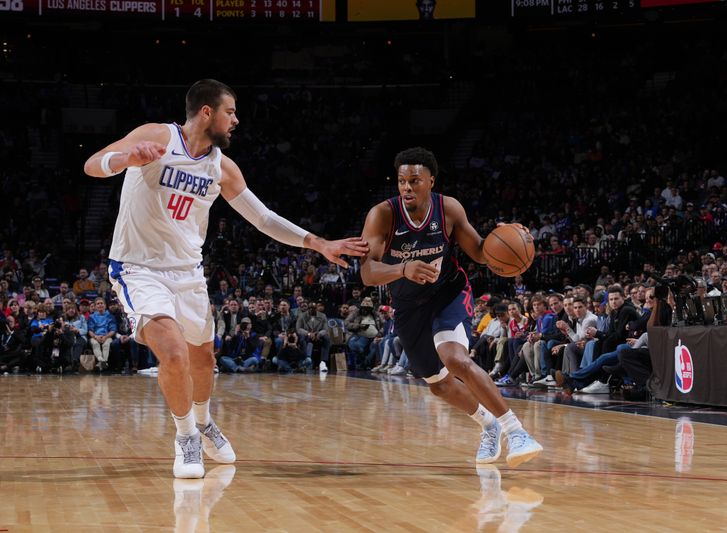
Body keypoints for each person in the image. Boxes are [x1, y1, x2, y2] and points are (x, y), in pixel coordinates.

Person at [83, 79, 368, 479]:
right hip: (139, 268)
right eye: (230, 112)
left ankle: (202, 421)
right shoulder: (157, 135)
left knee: (203, 359)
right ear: (206, 112)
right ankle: (185, 438)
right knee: (174, 351)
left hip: (187, 272)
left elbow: (264, 218)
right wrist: (124, 158)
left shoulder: (221, 167)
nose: (236, 120)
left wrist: (318, 244)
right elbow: (92, 164)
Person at [359, 147, 541, 467]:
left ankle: (517, 432)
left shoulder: (449, 209)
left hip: (447, 292)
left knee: (455, 358)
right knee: (439, 386)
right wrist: (403, 269)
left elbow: (482, 253)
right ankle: (489, 425)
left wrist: (507, 238)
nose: (407, 187)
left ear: (431, 180)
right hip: (408, 306)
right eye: (402, 181)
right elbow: (367, 272)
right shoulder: (383, 214)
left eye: (415, 180)